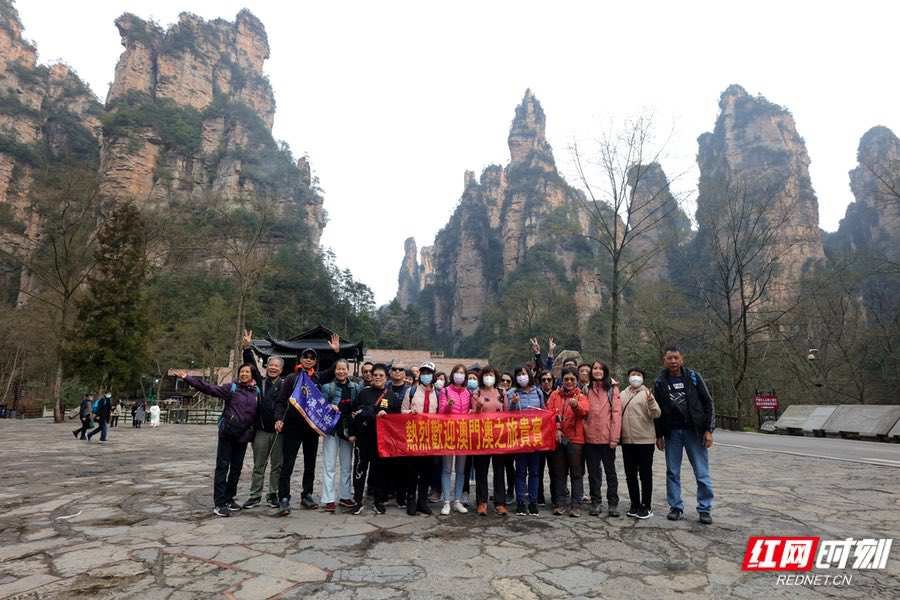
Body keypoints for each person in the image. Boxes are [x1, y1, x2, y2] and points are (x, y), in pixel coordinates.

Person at [174, 364, 259, 517]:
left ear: (252, 375)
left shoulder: (257, 392)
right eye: (242, 372)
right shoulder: (231, 388)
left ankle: (229, 498)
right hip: (227, 433)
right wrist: (188, 379)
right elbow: (209, 388)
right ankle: (219, 503)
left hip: (244, 435)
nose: (244, 374)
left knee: (236, 469)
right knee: (222, 467)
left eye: (247, 372)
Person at [273, 334, 341, 516]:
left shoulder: (318, 378)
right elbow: (280, 401)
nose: (308, 360)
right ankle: (284, 497)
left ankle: (307, 494)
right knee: (287, 463)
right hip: (292, 427)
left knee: (310, 463)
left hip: (311, 427)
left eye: (312, 358)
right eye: (306, 357)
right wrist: (279, 418)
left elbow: (335, 369)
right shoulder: (291, 378)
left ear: (316, 361)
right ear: (300, 359)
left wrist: (335, 352)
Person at [654, 345, 715, 525]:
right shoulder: (660, 382)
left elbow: (708, 403)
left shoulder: (693, 377)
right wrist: (659, 435)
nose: (673, 361)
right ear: (664, 361)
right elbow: (657, 411)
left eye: (676, 358)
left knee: (701, 472)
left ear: (682, 359)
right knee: (672, 471)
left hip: (694, 431)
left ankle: (704, 509)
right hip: (672, 433)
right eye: (669, 358)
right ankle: (676, 507)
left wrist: (709, 430)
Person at [240, 330, 285, 510]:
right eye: (270, 365)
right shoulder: (261, 382)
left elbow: (287, 406)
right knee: (259, 465)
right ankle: (255, 495)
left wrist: (281, 420)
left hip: (278, 431)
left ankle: (272, 494)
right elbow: (250, 364)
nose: (273, 368)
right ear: (266, 366)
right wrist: (247, 347)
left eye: (277, 366)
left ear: (281, 370)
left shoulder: (285, 384)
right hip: (261, 430)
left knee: (277, 466)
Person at [320, 359, 361, 512]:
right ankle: (329, 499)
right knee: (329, 465)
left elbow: (358, 406)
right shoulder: (327, 388)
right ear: (334, 370)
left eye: (344, 369)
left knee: (346, 465)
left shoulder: (356, 387)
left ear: (348, 370)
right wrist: (329, 407)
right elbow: (321, 407)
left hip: (348, 432)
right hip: (331, 431)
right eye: (338, 369)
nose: (341, 372)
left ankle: (345, 496)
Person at [547, 367, 589, 517]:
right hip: (558, 439)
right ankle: (560, 503)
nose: (569, 382)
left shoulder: (581, 396)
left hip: (576, 440)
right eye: (566, 379)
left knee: (576, 473)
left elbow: (584, 412)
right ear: (562, 380)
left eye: (572, 379)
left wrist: (576, 406)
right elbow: (550, 414)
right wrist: (557, 428)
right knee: (559, 472)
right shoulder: (554, 395)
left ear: (576, 380)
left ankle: (576, 505)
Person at [349, 363, 390, 515]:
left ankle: (378, 502)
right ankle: (358, 501)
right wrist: (352, 433)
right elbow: (354, 413)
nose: (378, 377)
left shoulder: (390, 395)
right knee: (359, 470)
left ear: (386, 378)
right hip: (363, 438)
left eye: (381, 375)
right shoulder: (363, 393)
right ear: (371, 376)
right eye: (375, 375)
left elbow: (395, 418)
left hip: (381, 441)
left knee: (379, 472)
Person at [621, 368, 660, 519]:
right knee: (630, 474)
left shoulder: (647, 394)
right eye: (632, 375)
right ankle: (634, 504)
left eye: (638, 375)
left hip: (645, 440)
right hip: (627, 440)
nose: (635, 377)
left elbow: (656, 413)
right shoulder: (622, 394)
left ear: (643, 378)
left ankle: (646, 505)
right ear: (628, 377)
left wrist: (651, 402)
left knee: (645, 474)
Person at [584, 361, 622, 517]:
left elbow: (616, 414)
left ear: (605, 371)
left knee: (610, 472)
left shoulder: (612, 389)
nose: (597, 371)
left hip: (607, 439)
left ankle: (613, 503)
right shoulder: (586, 389)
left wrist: (614, 438)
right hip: (590, 438)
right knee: (593, 473)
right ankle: (596, 502)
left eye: (600, 368)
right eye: (595, 368)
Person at [401, 361, 438, 515]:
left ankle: (422, 501)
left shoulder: (439, 393)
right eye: (423, 373)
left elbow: (442, 415)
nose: (426, 376)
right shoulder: (411, 391)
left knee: (427, 471)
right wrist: (410, 414)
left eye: (429, 373)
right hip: (414, 436)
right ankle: (411, 499)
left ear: (434, 375)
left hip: (430, 438)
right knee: (412, 470)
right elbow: (403, 411)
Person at [507, 366, 545, 516]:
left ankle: (533, 502)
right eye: (518, 375)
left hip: (535, 438)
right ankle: (521, 503)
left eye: (523, 374)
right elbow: (507, 416)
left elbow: (544, 412)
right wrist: (514, 403)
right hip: (520, 438)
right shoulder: (511, 393)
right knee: (521, 472)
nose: (521, 377)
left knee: (535, 472)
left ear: (529, 375)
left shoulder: (538, 392)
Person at [472, 366, 507, 516]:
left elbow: (507, 414)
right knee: (481, 471)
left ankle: (500, 503)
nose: (488, 377)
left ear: (495, 376)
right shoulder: (476, 393)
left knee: (499, 470)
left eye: (491, 374)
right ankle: (482, 502)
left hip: (499, 437)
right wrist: (478, 408)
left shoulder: (501, 393)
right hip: (482, 437)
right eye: (486, 374)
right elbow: (472, 416)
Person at [438, 364, 473, 515]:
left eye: (462, 373)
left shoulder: (468, 393)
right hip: (448, 433)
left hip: (463, 434)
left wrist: (475, 409)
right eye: (457, 372)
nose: (460, 375)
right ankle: (446, 501)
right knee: (446, 469)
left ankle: (457, 501)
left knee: (461, 470)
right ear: (452, 375)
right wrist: (448, 406)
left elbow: (472, 411)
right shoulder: (444, 391)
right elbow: (440, 412)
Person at [385, 363, 412, 507]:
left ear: (404, 373)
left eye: (401, 369)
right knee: (387, 464)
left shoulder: (410, 391)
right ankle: (388, 492)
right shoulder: (384, 388)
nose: (397, 371)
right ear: (389, 372)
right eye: (394, 369)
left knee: (403, 465)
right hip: (387, 432)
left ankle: (402, 495)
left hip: (404, 433)